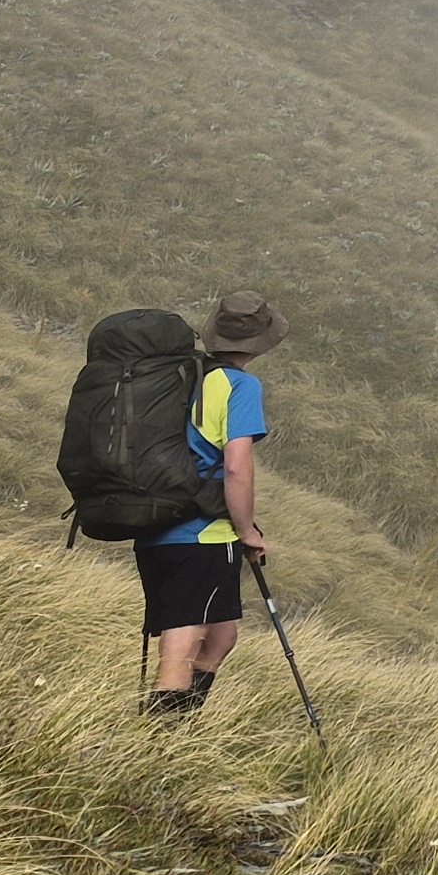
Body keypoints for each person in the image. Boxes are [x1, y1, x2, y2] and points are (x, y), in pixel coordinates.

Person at [138, 290, 282, 715]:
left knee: (221, 635)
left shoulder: (179, 378)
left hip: (155, 524)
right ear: (262, 341)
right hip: (201, 533)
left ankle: (181, 725)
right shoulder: (238, 385)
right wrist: (247, 531)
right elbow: (237, 467)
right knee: (184, 639)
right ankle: (159, 745)